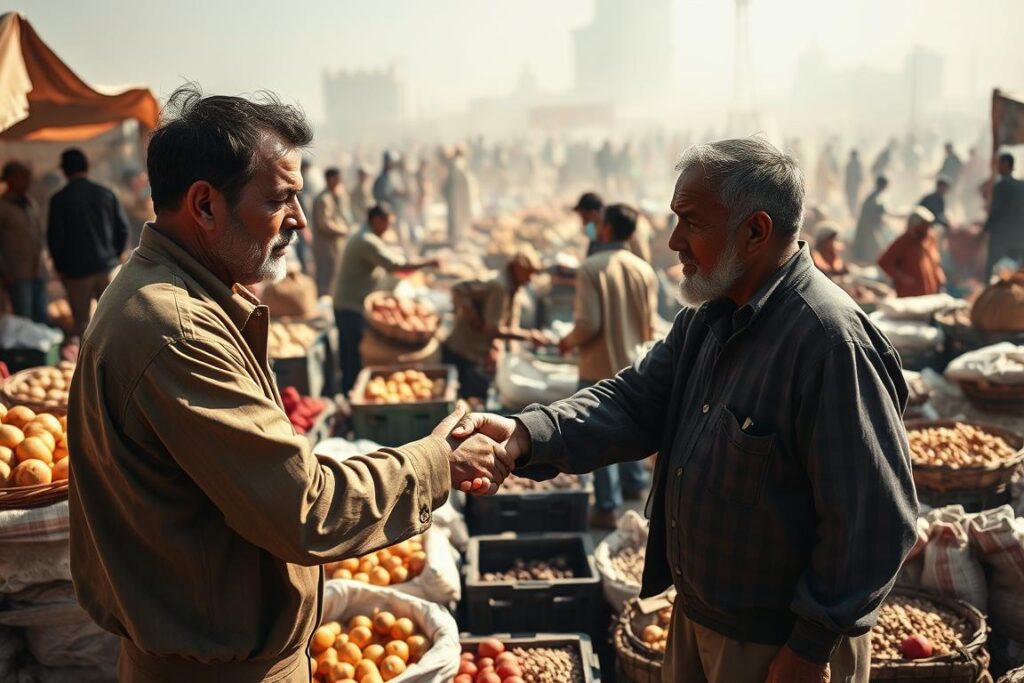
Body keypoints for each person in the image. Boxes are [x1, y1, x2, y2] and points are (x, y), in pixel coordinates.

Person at [68, 87, 511, 683]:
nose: (300, 220)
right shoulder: (175, 330)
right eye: (280, 199)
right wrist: (440, 462)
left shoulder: (173, 296)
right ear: (204, 205)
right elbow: (307, 509)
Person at [456, 137, 917, 683]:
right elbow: (634, 400)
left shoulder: (829, 342)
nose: (674, 241)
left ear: (755, 232)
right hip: (699, 618)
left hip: (776, 648)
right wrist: (527, 433)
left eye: (691, 222)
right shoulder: (709, 318)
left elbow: (876, 520)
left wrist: (810, 646)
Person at [557, 203, 657, 529]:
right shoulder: (644, 270)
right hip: (633, 365)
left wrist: (568, 341)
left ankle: (606, 508)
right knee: (631, 428)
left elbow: (588, 323)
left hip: (597, 367)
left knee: (597, 438)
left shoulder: (591, 267)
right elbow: (648, 326)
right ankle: (633, 487)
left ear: (607, 229)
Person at [333, 203, 437, 394]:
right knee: (352, 357)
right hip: (350, 305)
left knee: (351, 353)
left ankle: (350, 393)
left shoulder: (366, 235)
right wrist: (429, 262)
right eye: (387, 224)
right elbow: (396, 266)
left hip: (351, 303)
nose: (388, 228)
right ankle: (350, 398)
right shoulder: (366, 240)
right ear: (376, 220)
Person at [47, 148, 130, 337]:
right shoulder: (106, 194)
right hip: (107, 268)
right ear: (87, 167)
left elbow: (55, 240)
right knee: (114, 320)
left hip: (76, 274)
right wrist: (115, 257)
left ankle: (90, 365)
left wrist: (61, 269)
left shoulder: (59, 201)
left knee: (84, 326)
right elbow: (123, 229)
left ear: (64, 171)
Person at [443, 247, 545, 400]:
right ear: (517, 268)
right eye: (528, 272)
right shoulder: (499, 286)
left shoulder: (514, 289)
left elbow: (501, 323)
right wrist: (470, 313)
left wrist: (497, 347)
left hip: (478, 354)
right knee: (469, 402)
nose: (530, 278)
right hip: (466, 351)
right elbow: (492, 328)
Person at [0, 162, 48, 323]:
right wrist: (4, 271)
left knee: (41, 317)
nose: (27, 183)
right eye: (22, 178)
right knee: (24, 320)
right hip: (17, 273)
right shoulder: (3, 207)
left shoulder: (30, 203)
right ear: (10, 180)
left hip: (38, 270)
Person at [878, 206, 945, 297]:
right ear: (916, 225)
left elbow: (935, 261)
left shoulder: (930, 238)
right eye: (924, 225)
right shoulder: (904, 241)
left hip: (930, 293)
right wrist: (902, 278)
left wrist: (939, 275)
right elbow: (884, 262)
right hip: (910, 294)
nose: (927, 229)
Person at [983, 152, 1024, 278]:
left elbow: (996, 211)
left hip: (1001, 238)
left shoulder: (1001, 186)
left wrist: (984, 231)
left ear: (1006, 164)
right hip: (1019, 238)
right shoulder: (1021, 185)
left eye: (999, 163)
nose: (997, 167)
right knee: (1017, 273)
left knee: (993, 271)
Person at [311, 167, 351, 296]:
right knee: (325, 275)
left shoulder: (334, 195)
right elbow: (324, 224)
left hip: (334, 244)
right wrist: (342, 229)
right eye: (336, 179)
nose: (339, 182)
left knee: (334, 274)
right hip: (325, 246)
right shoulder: (323, 199)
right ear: (329, 179)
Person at [851, 175, 892, 264]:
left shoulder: (874, 197)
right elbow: (874, 213)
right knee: (873, 251)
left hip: (870, 227)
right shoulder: (874, 198)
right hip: (868, 228)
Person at [443, 148, 473, 244]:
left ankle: (457, 238)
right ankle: (455, 240)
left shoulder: (457, 164)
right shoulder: (456, 164)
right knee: (456, 218)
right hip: (456, 196)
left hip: (458, 195)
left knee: (458, 217)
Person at [844, 149, 863, 218]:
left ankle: (853, 213)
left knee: (852, 199)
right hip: (853, 185)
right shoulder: (856, 164)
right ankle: (853, 213)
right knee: (853, 199)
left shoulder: (851, 165)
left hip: (852, 185)